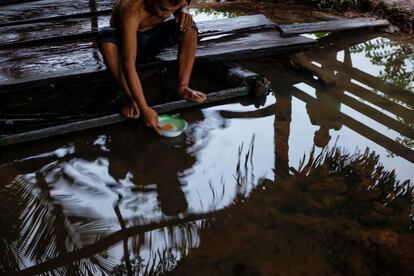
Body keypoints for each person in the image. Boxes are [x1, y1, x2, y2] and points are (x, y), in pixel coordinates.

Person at [97, 0, 207, 134]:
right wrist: (144, 109)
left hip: (151, 39)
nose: (164, 15)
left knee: (189, 27)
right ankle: (131, 99)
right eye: (162, 8)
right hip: (125, 45)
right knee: (105, 37)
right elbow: (128, 64)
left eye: (170, 11)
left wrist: (183, 11)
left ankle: (183, 86)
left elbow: (181, 4)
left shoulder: (175, 5)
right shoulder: (132, 7)